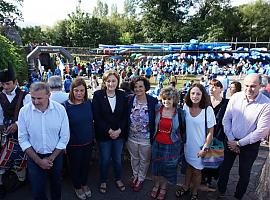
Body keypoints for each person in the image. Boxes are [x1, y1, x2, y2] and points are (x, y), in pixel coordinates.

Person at [208, 73, 270, 200]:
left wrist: (239, 143)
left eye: (253, 86)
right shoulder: (236, 97)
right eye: (246, 85)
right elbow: (226, 119)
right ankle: (220, 191)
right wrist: (231, 139)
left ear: (260, 86)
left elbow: (262, 131)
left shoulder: (266, 104)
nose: (249, 89)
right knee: (224, 168)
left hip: (250, 145)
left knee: (244, 173)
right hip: (230, 140)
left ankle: (238, 196)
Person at [18, 82, 70, 200]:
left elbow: (64, 137)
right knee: (37, 191)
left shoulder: (60, 110)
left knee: (56, 186)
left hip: (56, 157)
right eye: (33, 98)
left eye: (39, 98)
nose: (36, 102)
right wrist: (38, 161)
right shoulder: (24, 112)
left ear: (49, 95)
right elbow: (23, 139)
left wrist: (51, 158)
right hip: (34, 157)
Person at [176, 83, 216, 200]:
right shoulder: (186, 107)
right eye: (193, 93)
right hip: (188, 146)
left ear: (203, 95)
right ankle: (185, 187)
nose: (195, 96)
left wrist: (205, 149)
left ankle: (194, 193)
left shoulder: (208, 110)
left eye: (198, 93)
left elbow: (210, 133)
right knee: (188, 167)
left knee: (197, 171)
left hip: (200, 147)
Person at [92, 70, 128, 194]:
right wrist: (109, 130)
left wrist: (119, 130)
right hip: (104, 134)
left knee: (118, 159)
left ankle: (118, 179)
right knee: (105, 159)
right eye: (108, 81)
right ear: (104, 82)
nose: (111, 83)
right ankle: (103, 180)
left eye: (113, 81)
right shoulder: (97, 95)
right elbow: (97, 117)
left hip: (119, 134)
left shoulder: (122, 95)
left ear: (118, 81)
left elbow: (125, 116)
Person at [0, 63, 31, 198]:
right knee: (2, 160)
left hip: (22, 132)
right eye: (3, 84)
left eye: (7, 84)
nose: (5, 87)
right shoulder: (0, 96)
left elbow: (31, 116)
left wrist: (18, 124)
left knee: (21, 159)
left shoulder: (25, 96)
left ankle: (21, 180)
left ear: (15, 82)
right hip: (5, 133)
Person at [151, 86, 185, 200]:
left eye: (169, 99)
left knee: (168, 167)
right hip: (157, 143)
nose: (166, 101)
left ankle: (164, 187)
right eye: (164, 99)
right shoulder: (157, 109)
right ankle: (156, 185)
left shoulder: (180, 113)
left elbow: (183, 129)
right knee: (157, 166)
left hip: (172, 144)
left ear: (174, 99)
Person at [63, 78, 94, 200]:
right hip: (73, 144)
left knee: (85, 165)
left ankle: (84, 184)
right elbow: (62, 127)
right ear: (72, 91)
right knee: (75, 166)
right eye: (76, 90)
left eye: (82, 90)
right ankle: (77, 186)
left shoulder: (88, 103)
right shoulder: (65, 106)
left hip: (88, 141)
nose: (79, 93)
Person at [127, 76, 158, 192]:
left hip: (146, 138)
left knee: (144, 160)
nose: (138, 89)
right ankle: (135, 175)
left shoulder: (153, 101)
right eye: (135, 87)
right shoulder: (130, 100)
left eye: (141, 86)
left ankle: (140, 178)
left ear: (145, 88)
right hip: (131, 136)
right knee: (134, 158)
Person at [202, 79, 229, 188]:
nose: (212, 89)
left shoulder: (227, 103)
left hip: (218, 135)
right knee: (203, 157)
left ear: (221, 88)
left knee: (214, 159)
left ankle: (210, 179)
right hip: (204, 134)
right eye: (210, 86)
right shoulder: (205, 101)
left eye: (215, 86)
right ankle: (202, 177)